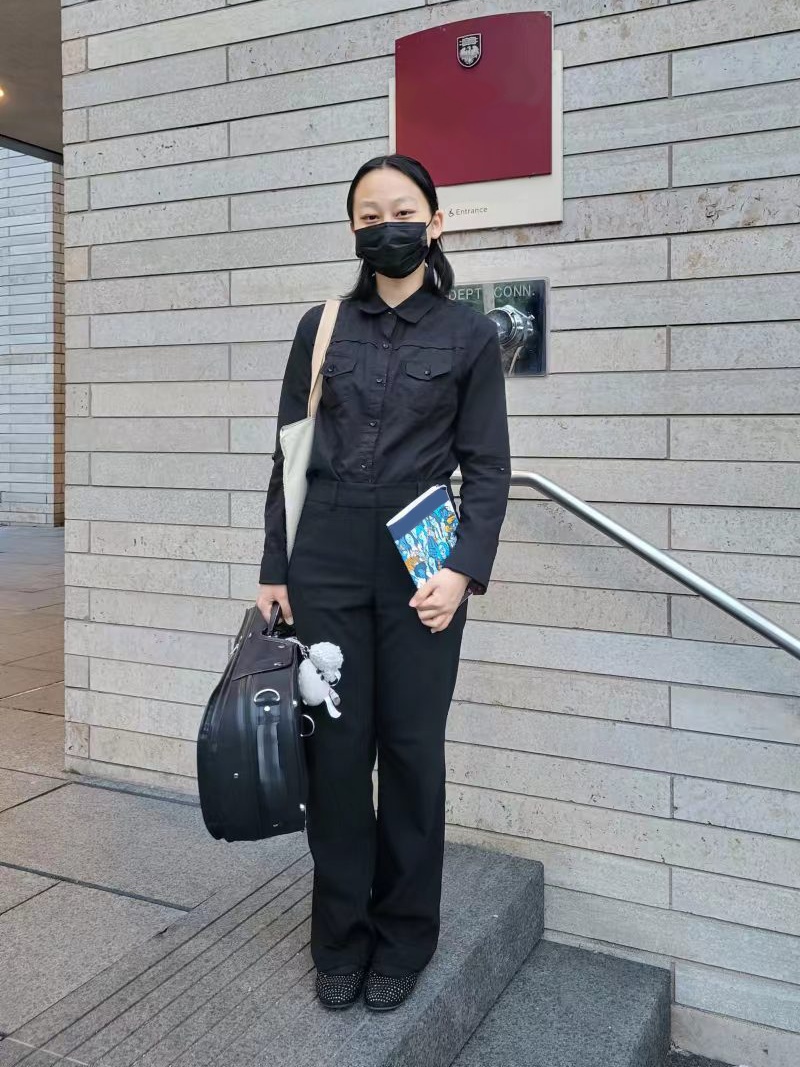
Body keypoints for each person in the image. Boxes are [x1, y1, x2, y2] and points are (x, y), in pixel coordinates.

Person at [256, 154, 511, 1012]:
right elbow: (288, 452)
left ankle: (404, 935)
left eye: (402, 210)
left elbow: (488, 466)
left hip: (419, 573)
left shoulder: (470, 335)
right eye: (369, 214)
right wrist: (273, 569)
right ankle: (340, 937)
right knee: (335, 758)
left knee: (409, 755)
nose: (386, 224)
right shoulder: (321, 326)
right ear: (354, 230)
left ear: (435, 223)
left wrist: (462, 569)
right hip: (324, 563)